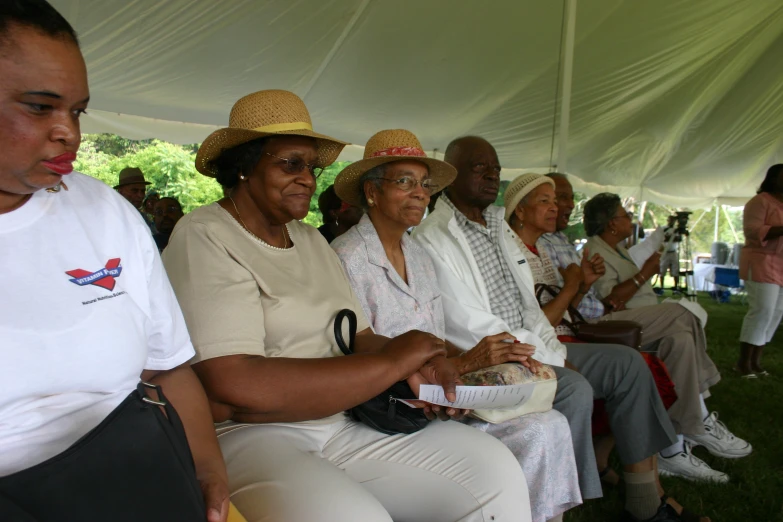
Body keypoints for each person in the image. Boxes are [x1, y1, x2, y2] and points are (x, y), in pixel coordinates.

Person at [162, 90, 532, 522]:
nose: (307, 178)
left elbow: (359, 336)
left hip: (342, 420)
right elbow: (234, 383)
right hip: (255, 434)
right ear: (244, 166)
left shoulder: (310, 240)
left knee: (494, 469)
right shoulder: (206, 235)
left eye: (312, 167)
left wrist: (423, 369)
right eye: (290, 163)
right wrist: (396, 362)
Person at [0, 1, 230, 520]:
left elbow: (168, 368)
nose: (69, 133)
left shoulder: (103, 210)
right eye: (40, 107)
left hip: (138, 469)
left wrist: (207, 466)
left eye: (77, 110)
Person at [413, 136, 706, 522]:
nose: (490, 175)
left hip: (538, 342)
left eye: (496, 169)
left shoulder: (498, 227)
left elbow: (529, 306)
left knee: (628, 365)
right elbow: (469, 324)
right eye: (478, 167)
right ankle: (566, 503)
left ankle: (645, 501)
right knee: (572, 386)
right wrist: (551, 356)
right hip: (494, 353)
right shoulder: (436, 235)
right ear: (451, 175)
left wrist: (554, 349)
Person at [332, 129, 581, 522]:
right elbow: (359, 349)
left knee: (551, 422)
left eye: (424, 184)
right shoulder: (346, 257)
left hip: (442, 394)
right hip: (391, 409)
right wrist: (463, 364)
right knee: (537, 432)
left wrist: (496, 357)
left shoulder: (418, 253)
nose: (419, 193)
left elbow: (433, 336)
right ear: (372, 192)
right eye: (404, 182)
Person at [522, 174, 750, 483]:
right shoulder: (558, 246)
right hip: (591, 324)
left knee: (680, 338)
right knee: (683, 311)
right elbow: (593, 302)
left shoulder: (567, 242)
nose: (565, 205)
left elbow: (576, 297)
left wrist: (582, 285)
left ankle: (673, 448)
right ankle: (700, 419)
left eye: (563, 197)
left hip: (590, 318)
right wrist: (638, 277)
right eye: (550, 199)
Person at [738, 163, 783, 377]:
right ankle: (743, 363)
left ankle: (756, 362)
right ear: (774, 179)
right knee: (762, 310)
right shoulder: (759, 202)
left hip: (781, 264)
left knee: (776, 312)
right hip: (761, 261)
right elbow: (752, 231)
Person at [115, 166, 156, 233]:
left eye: (143, 191)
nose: (140, 195)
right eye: (134, 191)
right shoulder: (112, 215)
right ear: (120, 192)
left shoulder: (143, 217)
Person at [660, 215, 681, 291]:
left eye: (673, 220)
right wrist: (671, 238)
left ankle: (676, 287)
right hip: (665, 252)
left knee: (675, 269)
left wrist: (671, 238)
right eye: (670, 220)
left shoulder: (676, 230)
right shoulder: (664, 229)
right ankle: (661, 287)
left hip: (673, 251)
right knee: (662, 269)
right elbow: (663, 238)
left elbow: (678, 238)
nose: (672, 222)